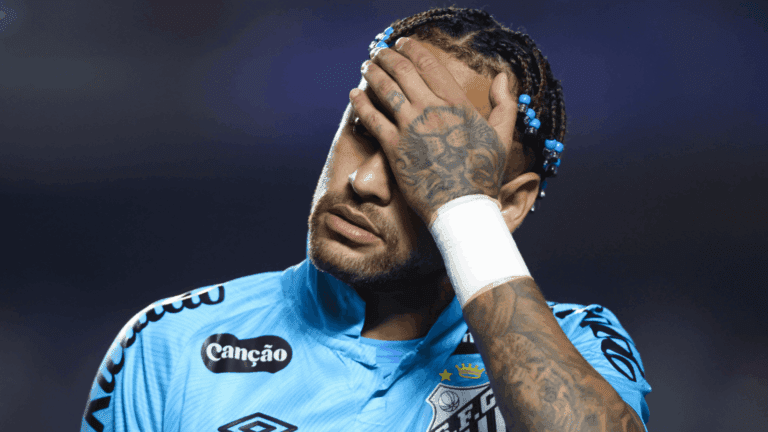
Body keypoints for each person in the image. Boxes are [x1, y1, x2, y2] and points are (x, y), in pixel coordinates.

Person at [82, 6, 651, 432]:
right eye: (363, 132)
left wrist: (460, 208)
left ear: (505, 204)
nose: (365, 181)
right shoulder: (172, 345)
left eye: (420, 163)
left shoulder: (581, 345)